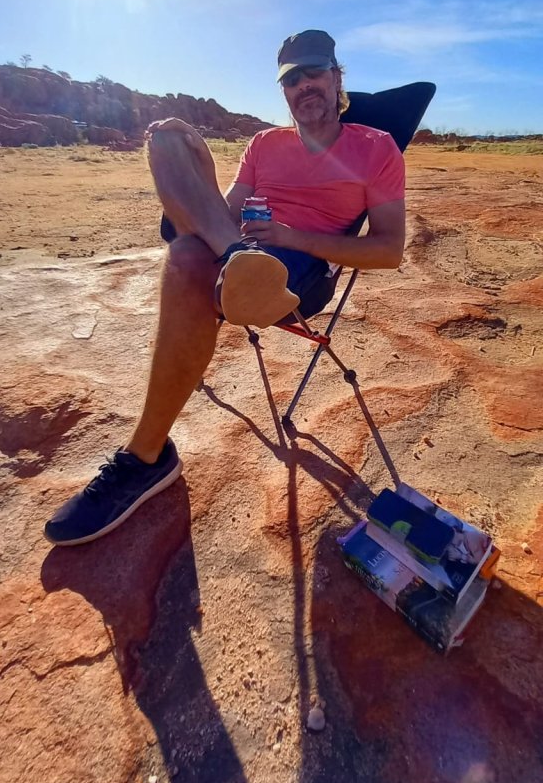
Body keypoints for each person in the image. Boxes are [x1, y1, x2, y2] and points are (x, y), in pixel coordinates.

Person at [44, 30, 405, 546]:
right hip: (238, 246)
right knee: (166, 139)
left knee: (189, 255)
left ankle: (145, 456)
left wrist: (287, 236)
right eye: (291, 79)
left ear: (336, 76)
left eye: (313, 73)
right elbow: (223, 212)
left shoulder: (375, 147)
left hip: (301, 269)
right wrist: (205, 176)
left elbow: (389, 250)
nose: (304, 85)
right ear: (284, 90)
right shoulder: (263, 144)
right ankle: (239, 263)